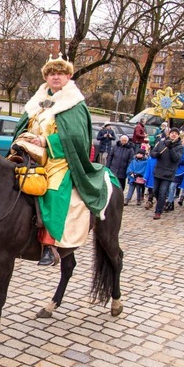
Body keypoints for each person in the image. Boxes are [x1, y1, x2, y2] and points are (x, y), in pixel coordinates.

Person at [10, 56, 118, 267]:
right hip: (30, 154)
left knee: (51, 190)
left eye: (60, 73)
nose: (55, 77)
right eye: (51, 73)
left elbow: (77, 138)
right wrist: (25, 137)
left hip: (60, 160)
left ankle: (50, 244)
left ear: (68, 76)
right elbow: (24, 125)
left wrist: (45, 140)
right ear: (46, 77)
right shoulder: (37, 101)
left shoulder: (74, 104)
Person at [150, 127, 184, 220]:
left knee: (163, 192)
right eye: (172, 133)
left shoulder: (180, 147)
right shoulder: (161, 143)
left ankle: (158, 211)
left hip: (169, 173)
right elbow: (152, 152)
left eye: (175, 133)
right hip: (158, 170)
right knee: (155, 191)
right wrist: (155, 154)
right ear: (169, 134)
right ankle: (162, 203)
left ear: (178, 136)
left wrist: (171, 148)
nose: (173, 134)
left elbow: (176, 159)